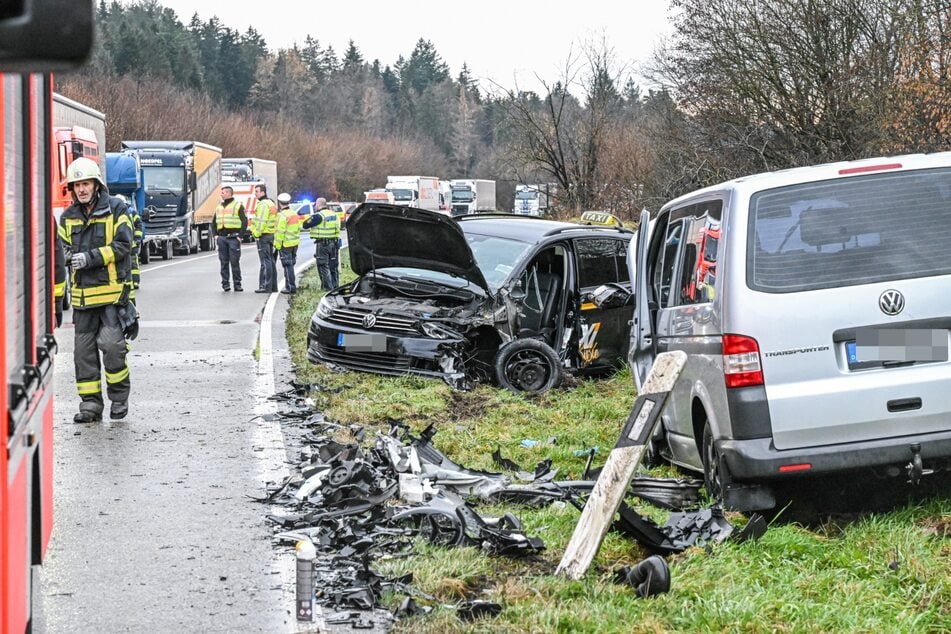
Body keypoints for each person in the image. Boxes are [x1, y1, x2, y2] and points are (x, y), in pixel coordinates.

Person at [58, 157, 135, 423]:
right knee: (83, 355)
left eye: (86, 183)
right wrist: (67, 256)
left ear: (96, 185)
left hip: (111, 297)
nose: (81, 189)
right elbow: (61, 249)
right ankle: (90, 404)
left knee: (113, 349)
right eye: (76, 185)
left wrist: (89, 258)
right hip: (82, 302)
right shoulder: (67, 218)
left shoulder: (116, 209)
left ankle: (119, 399)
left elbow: (124, 245)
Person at [214, 185, 247, 292]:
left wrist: (240, 236)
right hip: (222, 238)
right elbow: (213, 222)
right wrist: (215, 235)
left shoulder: (238, 206)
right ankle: (225, 284)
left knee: (234, 262)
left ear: (229, 193)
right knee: (223, 262)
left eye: (223, 192)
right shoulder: (219, 207)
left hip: (233, 237)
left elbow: (244, 221)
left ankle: (237, 284)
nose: (221, 194)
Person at [303, 197, 340, 290]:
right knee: (333, 266)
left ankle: (327, 288)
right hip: (334, 243)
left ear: (319, 205)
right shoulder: (334, 214)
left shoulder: (319, 216)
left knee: (323, 265)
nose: (315, 206)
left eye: (315, 204)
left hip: (323, 244)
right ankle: (335, 287)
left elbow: (305, 224)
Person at [251, 183, 279, 293]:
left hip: (264, 235)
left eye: (257, 191)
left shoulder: (263, 204)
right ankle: (273, 286)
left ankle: (266, 286)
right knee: (271, 261)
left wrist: (256, 234)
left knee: (266, 261)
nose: (255, 194)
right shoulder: (271, 203)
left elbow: (261, 221)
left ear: (263, 192)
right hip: (272, 234)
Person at [273, 192, 301, 294]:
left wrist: (277, 245)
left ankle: (290, 287)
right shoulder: (294, 213)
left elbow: (280, 232)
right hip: (294, 243)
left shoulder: (282, 215)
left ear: (279, 203)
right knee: (291, 265)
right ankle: (291, 286)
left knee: (287, 266)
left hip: (285, 244)